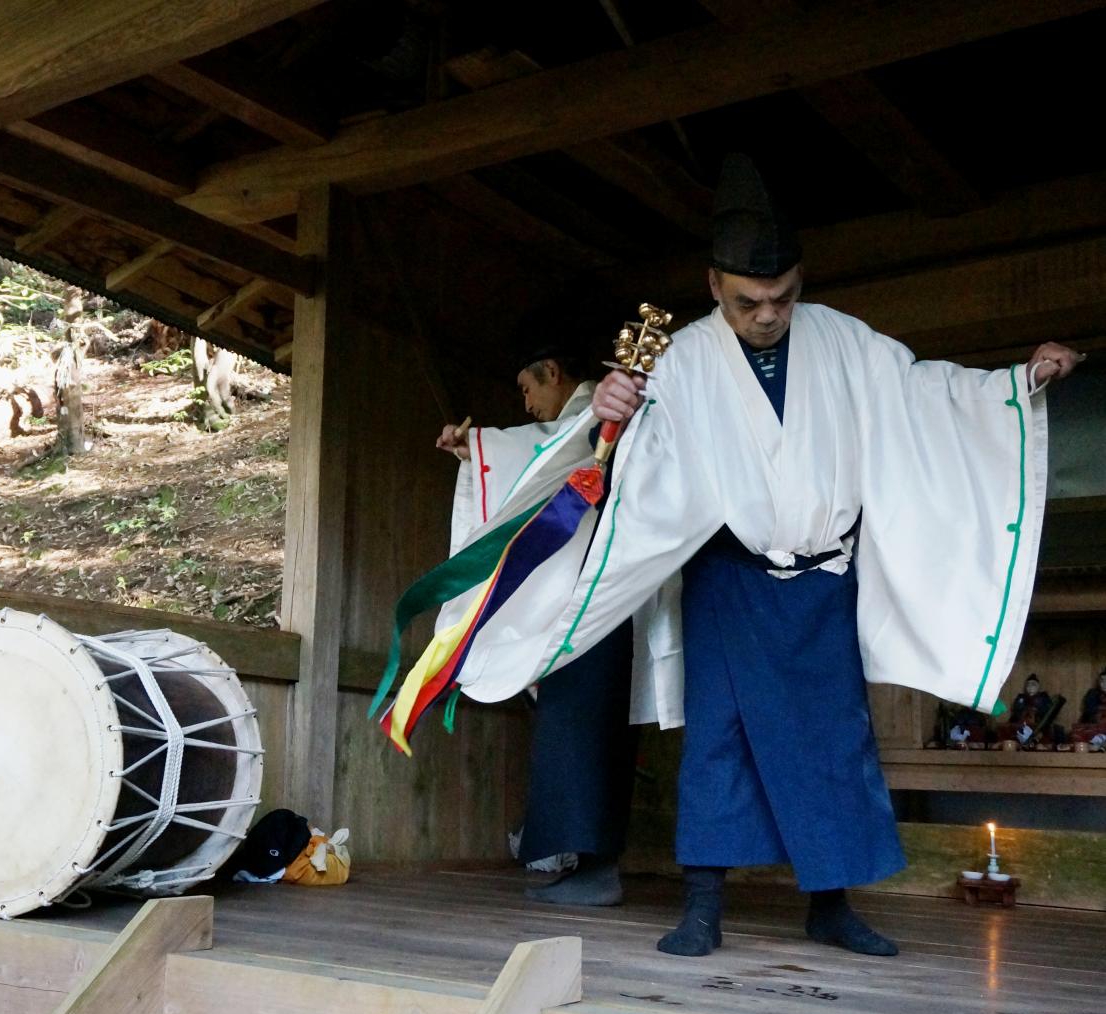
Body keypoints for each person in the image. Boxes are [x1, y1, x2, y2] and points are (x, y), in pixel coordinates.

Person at [436, 153, 1080, 958]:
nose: (767, 314)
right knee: (719, 739)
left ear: (799, 281)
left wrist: (1017, 384)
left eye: (781, 297)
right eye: (748, 301)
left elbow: (928, 394)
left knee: (834, 738)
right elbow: (616, 459)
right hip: (728, 578)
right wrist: (609, 411)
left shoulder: (848, 343)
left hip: (820, 579)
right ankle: (703, 905)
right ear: (714, 286)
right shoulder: (680, 360)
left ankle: (832, 905)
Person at [436, 330, 637, 906]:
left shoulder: (602, 411)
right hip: (586, 594)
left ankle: (593, 864)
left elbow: (547, 449)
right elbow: (542, 448)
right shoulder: (581, 423)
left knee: (579, 718)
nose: (526, 403)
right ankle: (584, 859)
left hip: (592, 595)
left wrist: (478, 446)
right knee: (576, 720)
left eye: (528, 387)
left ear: (551, 370)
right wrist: (474, 448)